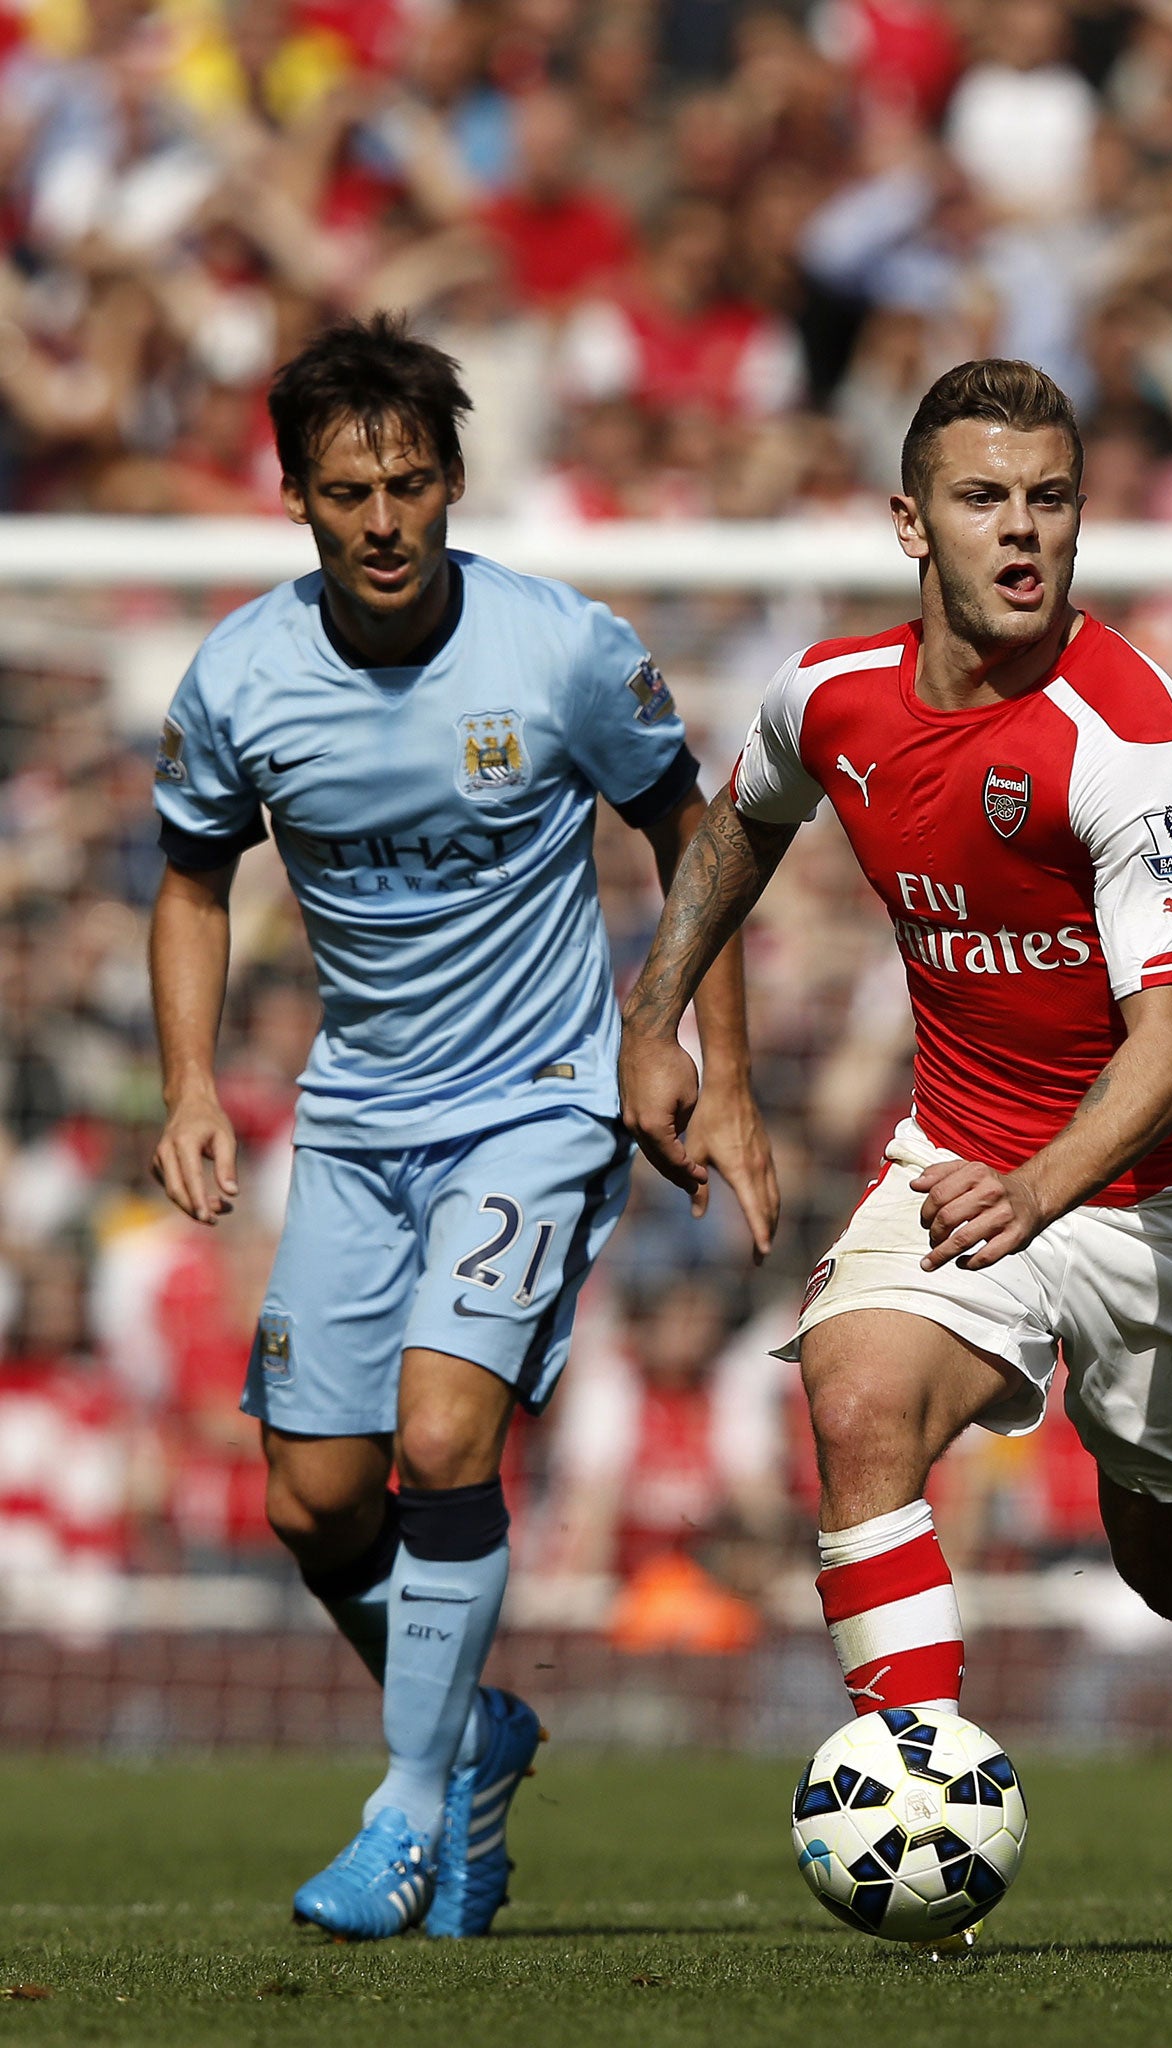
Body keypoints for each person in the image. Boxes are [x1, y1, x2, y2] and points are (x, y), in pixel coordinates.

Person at [619, 357, 1172, 1836]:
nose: (1023, 533)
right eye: (984, 498)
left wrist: (1038, 1189)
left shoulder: (1125, 735)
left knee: (1163, 1557)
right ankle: (918, 1806)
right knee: (856, 1390)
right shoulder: (833, 697)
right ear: (909, 523)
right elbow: (740, 821)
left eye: (1051, 500)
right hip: (962, 1148)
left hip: (1157, 1194)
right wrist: (657, 1018)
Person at [148, 312, 775, 1940]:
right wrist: (186, 1087)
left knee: (441, 1444)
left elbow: (694, 833)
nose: (383, 520)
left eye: (412, 484)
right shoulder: (240, 676)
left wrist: (685, 1050)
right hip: (358, 1117)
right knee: (310, 1500)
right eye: (349, 490)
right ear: (294, 496)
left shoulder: (559, 650)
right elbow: (193, 878)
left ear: (453, 484)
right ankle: (470, 1731)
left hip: (540, 1104)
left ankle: (406, 1813)